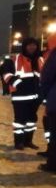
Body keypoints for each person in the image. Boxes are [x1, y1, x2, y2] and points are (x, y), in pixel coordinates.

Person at [2, 37, 44, 150]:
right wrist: (18, 83)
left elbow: (44, 76)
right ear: (24, 46)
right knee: (20, 121)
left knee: (32, 120)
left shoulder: (40, 59)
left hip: (35, 98)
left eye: (34, 45)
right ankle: (19, 142)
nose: (32, 47)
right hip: (20, 97)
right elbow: (6, 75)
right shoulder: (14, 59)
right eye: (29, 45)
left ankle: (28, 141)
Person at [39, 35, 56, 170]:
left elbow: (46, 77)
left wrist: (43, 97)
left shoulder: (53, 56)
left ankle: (53, 164)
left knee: (53, 131)